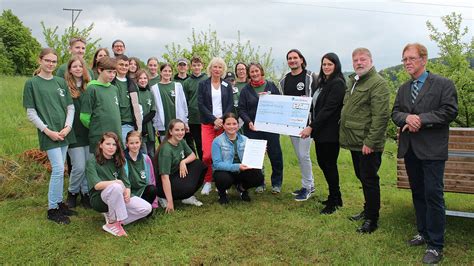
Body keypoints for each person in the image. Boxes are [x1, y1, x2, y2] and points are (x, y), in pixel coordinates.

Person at [391, 43, 458, 264]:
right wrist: (406, 118)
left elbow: (449, 111)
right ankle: (423, 232)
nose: (407, 62)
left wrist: (421, 119)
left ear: (424, 59)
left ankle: (436, 245)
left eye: (411, 58)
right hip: (411, 149)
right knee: (418, 193)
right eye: (404, 59)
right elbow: (396, 113)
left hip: (432, 150)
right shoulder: (403, 88)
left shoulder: (443, 84)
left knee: (433, 196)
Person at [23, 48, 77, 224]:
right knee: (57, 169)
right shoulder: (32, 84)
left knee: (61, 169)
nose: (51, 64)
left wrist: (68, 126)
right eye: (47, 60)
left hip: (64, 133)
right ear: (40, 60)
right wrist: (47, 131)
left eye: (54, 61)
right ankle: (52, 209)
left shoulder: (60, 82)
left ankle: (59, 204)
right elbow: (31, 113)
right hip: (50, 133)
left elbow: (70, 107)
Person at [340, 47, 390, 233]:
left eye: (362, 59)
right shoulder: (355, 81)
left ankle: (372, 219)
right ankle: (367, 209)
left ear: (371, 60)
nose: (359, 63)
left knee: (369, 179)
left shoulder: (378, 84)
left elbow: (381, 116)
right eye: (355, 60)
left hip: (368, 143)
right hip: (355, 140)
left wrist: (370, 142)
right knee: (362, 176)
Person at [300, 53, 346, 214]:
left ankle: (333, 201)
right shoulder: (323, 83)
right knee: (323, 163)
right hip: (321, 132)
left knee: (329, 165)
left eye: (329, 64)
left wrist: (311, 126)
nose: (326, 67)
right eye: (324, 64)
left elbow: (328, 109)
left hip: (330, 133)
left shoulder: (338, 83)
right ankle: (336, 196)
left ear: (336, 65)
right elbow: (317, 104)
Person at [86, 132, 152, 237]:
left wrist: (128, 191)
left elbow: (126, 182)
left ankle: (116, 222)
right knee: (116, 187)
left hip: (118, 194)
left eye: (114, 144)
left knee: (146, 208)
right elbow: (97, 185)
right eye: (108, 144)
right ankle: (113, 221)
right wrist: (116, 182)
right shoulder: (92, 161)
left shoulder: (117, 160)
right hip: (99, 199)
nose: (111, 147)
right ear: (101, 145)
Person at [238, 62, 284, 194]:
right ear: (249, 74)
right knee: (256, 157)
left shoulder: (270, 85)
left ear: (261, 71)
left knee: (275, 155)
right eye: (252, 72)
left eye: (256, 71)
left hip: (270, 129)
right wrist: (249, 122)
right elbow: (241, 109)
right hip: (253, 129)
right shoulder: (246, 90)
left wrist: (268, 98)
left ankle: (276, 183)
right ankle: (259, 182)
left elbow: (280, 103)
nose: (254, 74)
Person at [279, 49, 316, 199]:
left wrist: (307, 101)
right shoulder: (283, 81)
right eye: (289, 58)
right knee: (300, 156)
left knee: (303, 155)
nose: (292, 60)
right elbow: (281, 102)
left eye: (295, 58)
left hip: (307, 124)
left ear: (301, 59)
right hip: (291, 124)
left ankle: (307, 187)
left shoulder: (311, 77)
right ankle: (309, 185)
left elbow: (318, 98)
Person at [197, 57, 234, 195]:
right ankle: (207, 181)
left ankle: (221, 181)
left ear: (223, 70)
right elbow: (201, 104)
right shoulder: (203, 84)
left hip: (223, 125)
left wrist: (222, 120)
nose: (217, 69)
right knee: (207, 155)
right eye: (215, 67)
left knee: (223, 154)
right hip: (208, 124)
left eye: (220, 67)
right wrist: (214, 120)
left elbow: (230, 104)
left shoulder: (227, 85)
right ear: (210, 68)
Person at [154, 119, 207, 212]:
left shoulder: (180, 141)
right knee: (188, 187)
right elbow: (164, 177)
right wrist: (170, 202)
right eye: (177, 130)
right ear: (170, 131)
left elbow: (193, 156)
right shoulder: (166, 150)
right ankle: (163, 197)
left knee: (200, 165)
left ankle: (187, 197)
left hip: (176, 175)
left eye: (182, 130)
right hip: (164, 183)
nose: (180, 133)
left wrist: (183, 162)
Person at [212, 113, 264, 204]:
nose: (231, 126)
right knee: (222, 178)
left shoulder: (245, 139)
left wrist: (260, 153)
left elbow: (252, 158)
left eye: (234, 124)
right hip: (226, 171)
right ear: (223, 126)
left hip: (242, 171)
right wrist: (237, 166)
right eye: (228, 124)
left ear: (238, 125)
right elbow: (217, 164)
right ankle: (222, 193)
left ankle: (241, 188)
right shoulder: (217, 141)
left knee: (258, 176)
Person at [64, 55, 92, 209]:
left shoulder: (89, 86)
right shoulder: (65, 87)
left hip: (88, 131)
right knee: (79, 166)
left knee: (88, 166)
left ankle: (86, 193)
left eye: (80, 66)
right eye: (74, 66)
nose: (77, 69)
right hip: (73, 131)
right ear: (69, 69)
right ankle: (73, 193)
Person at [80, 57, 121, 154]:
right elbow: (84, 117)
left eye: (114, 72)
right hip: (99, 136)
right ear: (100, 70)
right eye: (109, 72)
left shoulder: (114, 89)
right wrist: (96, 127)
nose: (112, 75)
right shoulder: (92, 89)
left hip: (115, 135)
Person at [150, 63, 188, 142]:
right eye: (165, 71)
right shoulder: (154, 88)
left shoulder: (177, 86)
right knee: (165, 149)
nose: (167, 73)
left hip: (177, 124)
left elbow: (183, 105)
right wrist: (156, 125)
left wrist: (185, 122)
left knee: (179, 149)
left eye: (169, 71)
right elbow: (154, 108)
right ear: (161, 72)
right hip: (163, 124)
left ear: (172, 73)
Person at [112, 54, 142, 144]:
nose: (124, 67)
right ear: (115, 65)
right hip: (114, 125)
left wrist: (139, 128)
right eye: (121, 64)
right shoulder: (111, 83)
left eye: (126, 65)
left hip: (129, 125)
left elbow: (138, 108)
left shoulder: (132, 84)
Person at [124, 131, 158, 208]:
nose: (135, 145)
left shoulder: (146, 158)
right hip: (129, 193)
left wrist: (154, 203)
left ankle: (146, 208)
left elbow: (152, 180)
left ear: (140, 143)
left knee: (152, 189)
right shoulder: (123, 160)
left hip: (142, 191)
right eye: (131, 143)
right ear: (127, 144)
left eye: (137, 142)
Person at [183, 56, 208, 159]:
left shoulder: (207, 79)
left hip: (205, 118)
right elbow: (185, 102)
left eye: (198, 65)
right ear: (190, 67)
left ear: (202, 66)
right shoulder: (187, 82)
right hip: (192, 119)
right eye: (194, 65)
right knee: (193, 145)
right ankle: (195, 167)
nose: (196, 67)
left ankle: (205, 168)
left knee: (203, 145)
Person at [135, 69, 156, 158]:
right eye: (140, 78)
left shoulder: (150, 93)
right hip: (138, 128)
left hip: (149, 127)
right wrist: (140, 125)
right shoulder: (135, 93)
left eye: (145, 78)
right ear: (137, 80)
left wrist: (143, 122)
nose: (143, 80)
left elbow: (153, 111)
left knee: (151, 153)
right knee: (143, 153)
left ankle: (153, 171)